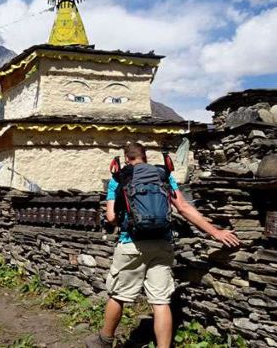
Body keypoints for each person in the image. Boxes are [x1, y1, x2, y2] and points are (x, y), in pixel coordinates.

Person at [85, 143, 240, 348]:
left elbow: (112, 217)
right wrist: (216, 233)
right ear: (145, 157)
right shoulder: (163, 175)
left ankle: (104, 341)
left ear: (126, 158)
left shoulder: (119, 178)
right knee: (160, 301)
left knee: (118, 295)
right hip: (162, 242)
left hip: (131, 243)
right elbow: (184, 207)